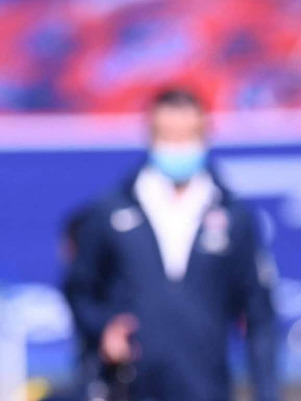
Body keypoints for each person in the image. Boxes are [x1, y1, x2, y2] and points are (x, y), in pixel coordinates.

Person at [63, 89, 278, 401]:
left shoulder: (234, 216)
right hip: (129, 386)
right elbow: (80, 289)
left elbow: (260, 315)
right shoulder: (111, 211)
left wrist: (267, 392)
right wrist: (103, 327)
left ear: (205, 135)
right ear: (151, 135)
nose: (178, 146)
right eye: (168, 135)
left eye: (188, 135)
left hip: (207, 388)